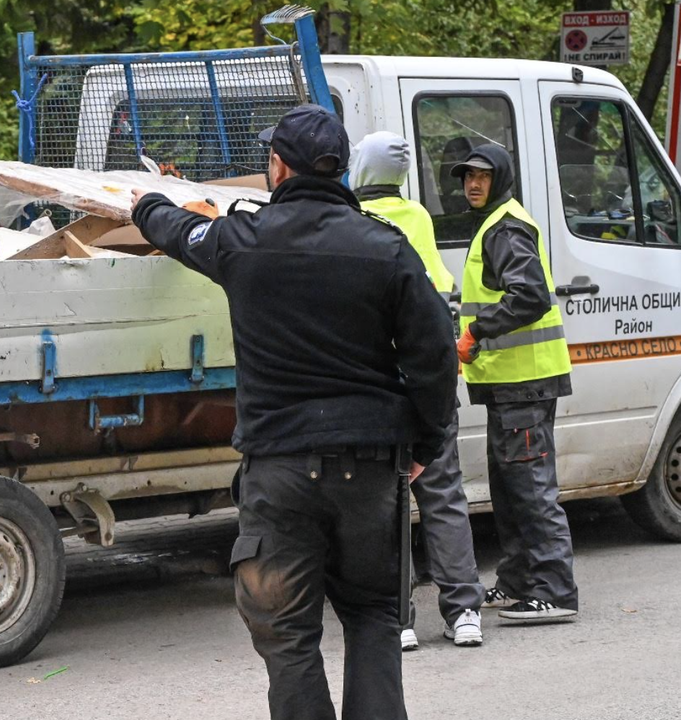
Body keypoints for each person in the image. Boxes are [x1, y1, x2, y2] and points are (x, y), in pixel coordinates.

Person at [131, 105, 458, 720]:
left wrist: (147, 202)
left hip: (279, 471)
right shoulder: (386, 247)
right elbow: (436, 354)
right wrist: (427, 444)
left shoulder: (241, 241)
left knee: (287, 637)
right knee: (374, 615)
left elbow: (178, 230)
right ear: (341, 170)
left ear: (278, 167)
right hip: (370, 469)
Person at [350, 131, 485, 649]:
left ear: (361, 169)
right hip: (430, 382)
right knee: (443, 494)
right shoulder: (420, 217)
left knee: (384, 502)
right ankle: (464, 611)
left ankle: (399, 618)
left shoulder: (353, 221)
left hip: (379, 385)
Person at [452, 145, 579, 621]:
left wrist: (476, 331)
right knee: (511, 491)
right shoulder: (494, 223)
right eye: (468, 176)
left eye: (482, 176)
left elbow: (529, 296)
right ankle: (518, 582)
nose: (473, 184)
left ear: (500, 178)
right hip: (511, 384)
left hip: (525, 384)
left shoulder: (505, 227)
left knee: (531, 490)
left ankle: (555, 592)